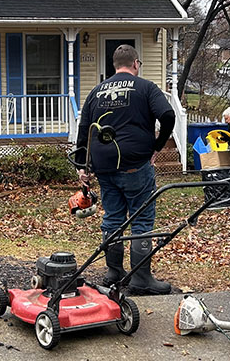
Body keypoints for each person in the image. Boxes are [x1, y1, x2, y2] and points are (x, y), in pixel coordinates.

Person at [75, 44, 176, 295]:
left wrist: (81, 166)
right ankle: (141, 278)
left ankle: (114, 273)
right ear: (136, 64)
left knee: (113, 217)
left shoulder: (96, 91)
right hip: (135, 165)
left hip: (104, 166)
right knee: (141, 219)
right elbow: (168, 115)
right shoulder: (146, 87)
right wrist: (157, 146)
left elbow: (84, 129)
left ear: (114, 65)